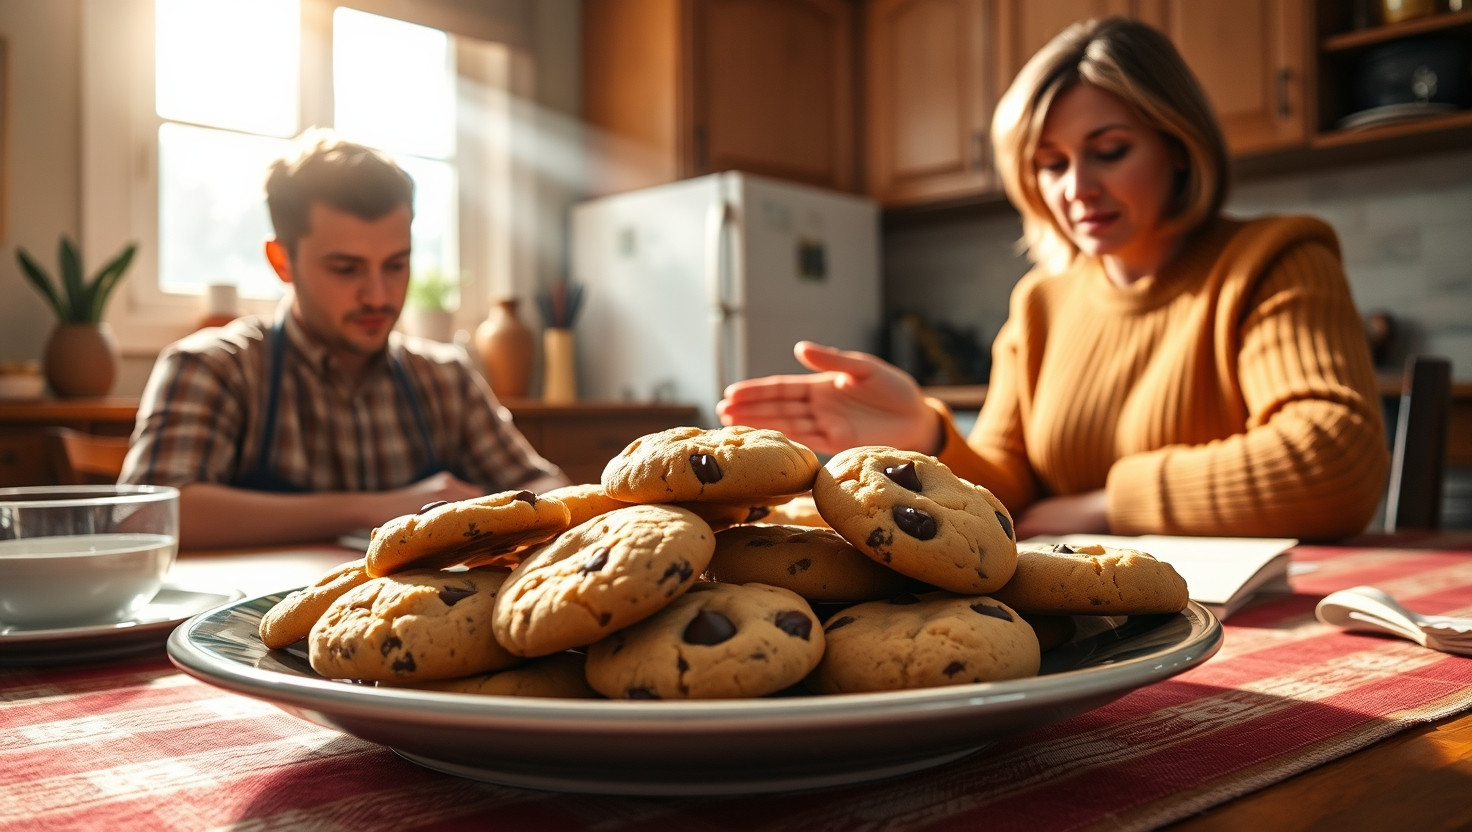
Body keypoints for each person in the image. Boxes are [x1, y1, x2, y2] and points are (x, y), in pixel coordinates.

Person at [717, 17, 1389, 541]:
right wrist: (926, 434)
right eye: (1050, 164)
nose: (1076, 189)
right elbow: (1007, 489)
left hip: (1280, 614)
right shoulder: (1041, 302)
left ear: (1180, 149)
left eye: (1109, 151)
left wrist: (1104, 506)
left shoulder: (1275, 259)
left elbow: (1334, 464)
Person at [120, 128, 568, 550]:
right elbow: (144, 517)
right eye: (346, 269)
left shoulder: (446, 378)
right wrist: (389, 508)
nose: (378, 295)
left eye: (395, 265)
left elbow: (551, 489)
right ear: (282, 262)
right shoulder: (214, 368)